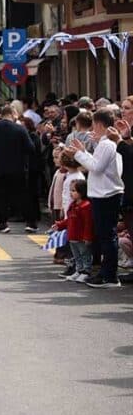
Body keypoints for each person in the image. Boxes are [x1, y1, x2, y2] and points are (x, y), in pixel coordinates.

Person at [64, 110, 123, 289]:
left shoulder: (107, 145)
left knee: (107, 236)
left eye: (94, 126)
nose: (92, 130)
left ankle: (110, 275)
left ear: (98, 124)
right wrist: (83, 152)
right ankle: (105, 272)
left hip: (106, 194)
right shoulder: (104, 144)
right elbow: (97, 165)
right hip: (102, 193)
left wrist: (79, 155)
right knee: (104, 235)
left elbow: (96, 168)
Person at [0, 105, 36, 233]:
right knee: (22, 195)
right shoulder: (20, 129)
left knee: (1, 196)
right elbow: (30, 148)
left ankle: (3, 223)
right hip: (18, 167)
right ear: (13, 113)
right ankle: (30, 222)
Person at [54, 179, 93, 282]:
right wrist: (60, 225)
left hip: (81, 238)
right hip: (72, 236)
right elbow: (69, 220)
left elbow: (88, 224)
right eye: (70, 190)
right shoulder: (73, 205)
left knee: (84, 254)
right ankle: (79, 270)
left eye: (74, 190)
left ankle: (86, 271)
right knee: (76, 255)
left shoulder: (86, 206)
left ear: (82, 191)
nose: (71, 193)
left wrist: (87, 237)